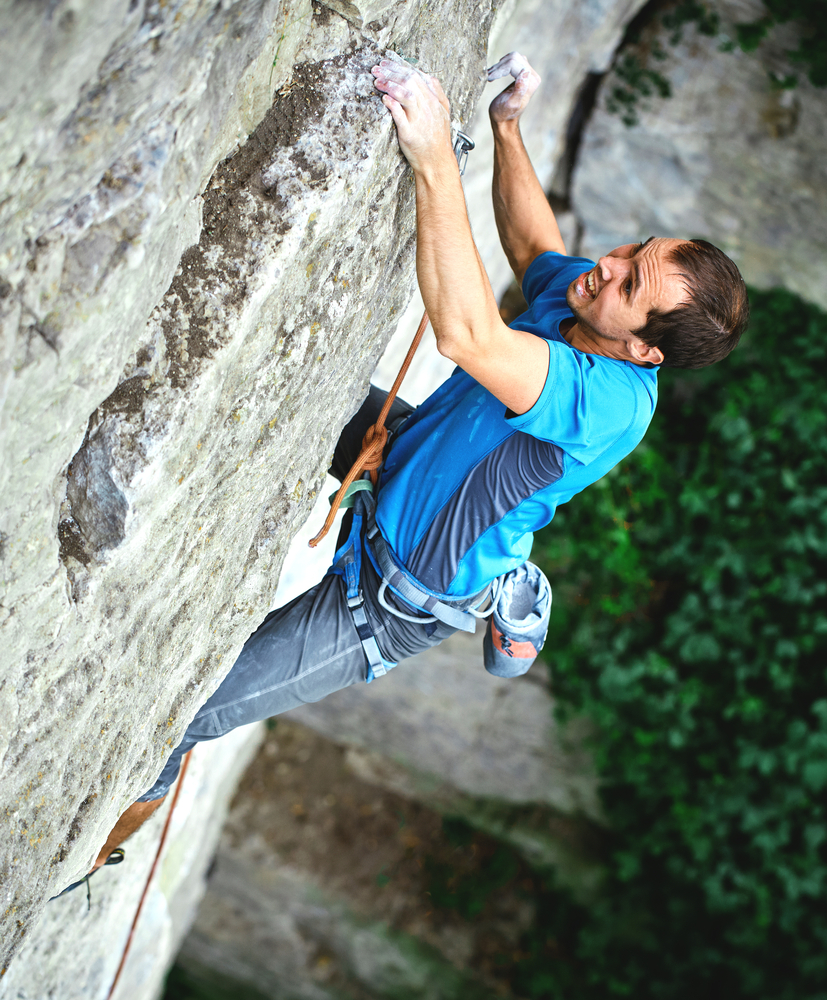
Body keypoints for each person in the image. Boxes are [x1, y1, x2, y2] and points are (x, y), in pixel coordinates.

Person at [82, 53, 749, 877]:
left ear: (644, 349)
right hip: (403, 452)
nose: (606, 263)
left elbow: (466, 336)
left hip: (396, 595)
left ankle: (94, 849)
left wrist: (436, 160)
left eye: (629, 279)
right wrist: (506, 128)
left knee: (188, 711)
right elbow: (536, 246)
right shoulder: (593, 305)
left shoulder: (608, 400)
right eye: (631, 247)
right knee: (283, 379)